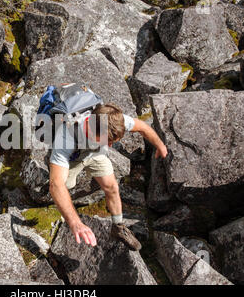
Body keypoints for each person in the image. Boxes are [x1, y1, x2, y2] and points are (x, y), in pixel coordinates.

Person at [48, 103, 168, 250]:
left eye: (113, 142)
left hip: (95, 153)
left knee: (112, 186)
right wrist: (75, 222)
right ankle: (51, 166)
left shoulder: (113, 120)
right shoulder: (66, 136)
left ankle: (118, 227)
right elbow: (56, 184)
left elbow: (142, 126)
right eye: (108, 142)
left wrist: (160, 145)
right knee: (65, 186)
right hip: (74, 155)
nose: (110, 146)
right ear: (91, 129)